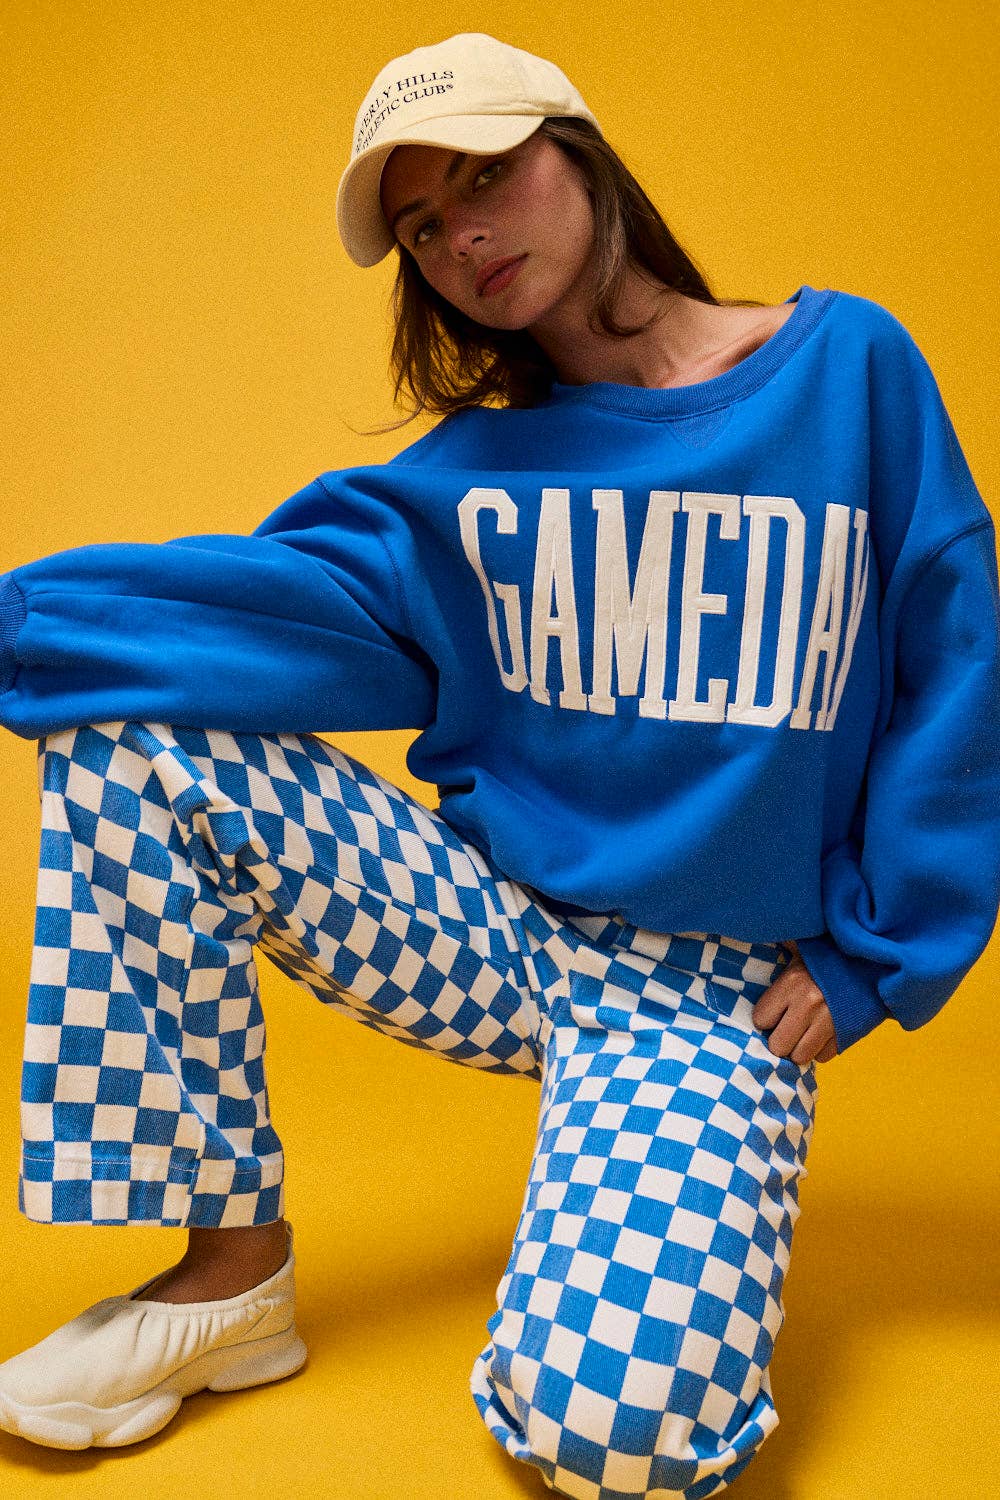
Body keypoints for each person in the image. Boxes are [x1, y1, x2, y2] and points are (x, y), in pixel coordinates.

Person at [0, 28, 998, 1499]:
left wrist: (879, 957)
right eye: (420, 224)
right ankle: (231, 1279)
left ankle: (611, 1199)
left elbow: (953, 668)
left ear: (578, 156)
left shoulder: (848, 373)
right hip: (490, 931)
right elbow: (246, 609)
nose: (460, 235)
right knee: (139, 749)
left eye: (483, 175)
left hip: (707, 996)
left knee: (623, 1439)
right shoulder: (472, 479)